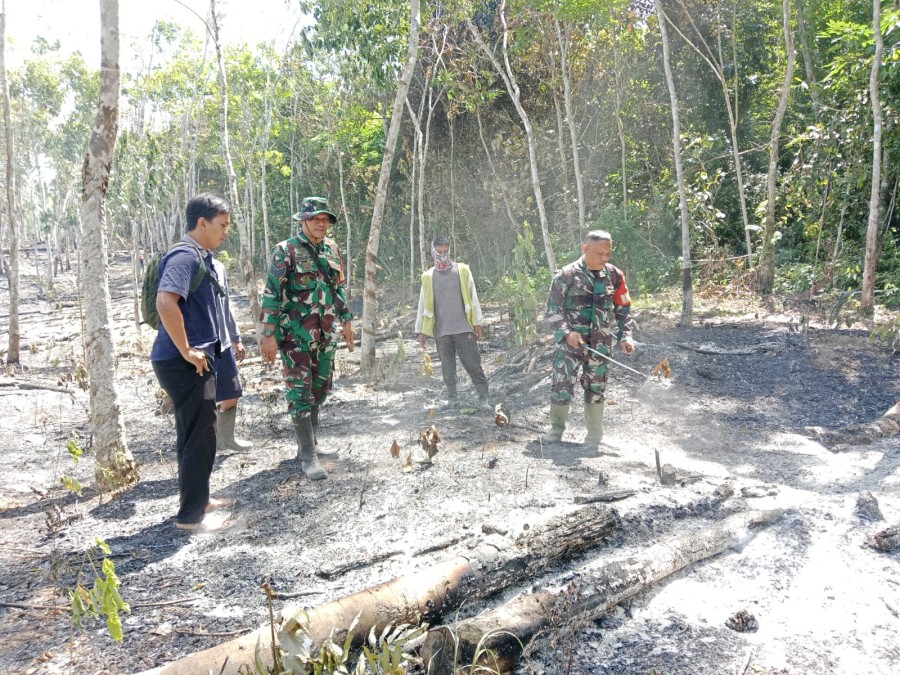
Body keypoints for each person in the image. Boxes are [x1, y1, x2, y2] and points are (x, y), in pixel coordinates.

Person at [151, 193, 235, 532]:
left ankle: (199, 499)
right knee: (199, 435)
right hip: (183, 362)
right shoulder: (185, 257)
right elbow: (165, 302)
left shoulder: (201, 256)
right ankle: (191, 518)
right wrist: (187, 350)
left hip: (189, 360)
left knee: (195, 433)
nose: (225, 232)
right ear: (202, 223)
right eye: (221, 225)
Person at [259, 196, 354, 481]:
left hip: (325, 334)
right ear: (303, 220)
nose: (321, 224)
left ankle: (313, 444)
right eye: (316, 219)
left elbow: (338, 289)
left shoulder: (333, 250)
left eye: (325, 219)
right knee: (299, 392)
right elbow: (271, 295)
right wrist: (268, 336)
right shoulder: (284, 251)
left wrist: (347, 320)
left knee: (319, 391)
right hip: (294, 336)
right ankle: (307, 456)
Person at [542, 230, 635, 450]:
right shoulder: (566, 275)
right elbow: (552, 310)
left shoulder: (614, 275)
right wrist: (566, 332)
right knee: (561, 386)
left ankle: (594, 436)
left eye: (608, 254)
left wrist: (626, 335)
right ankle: (556, 431)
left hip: (600, 346)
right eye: (599, 253)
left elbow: (623, 308)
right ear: (585, 249)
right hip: (570, 346)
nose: (604, 258)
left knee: (596, 389)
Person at [415, 235, 489, 410]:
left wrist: (477, 323)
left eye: (446, 252)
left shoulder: (462, 270)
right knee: (448, 368)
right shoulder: (428, 276)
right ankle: (452, 398)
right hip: (441, 330)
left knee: (472, 364)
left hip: (464, 328)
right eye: (439, 252)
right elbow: (423, 303)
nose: (443, 255)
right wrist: (421, 331)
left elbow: (473, 297)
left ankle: (483, 398)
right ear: (433, 252)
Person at [211, 255, 253, 453]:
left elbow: (225, 305)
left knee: (232, 391)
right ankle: (206, 444)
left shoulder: (218, 267)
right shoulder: (186, 262)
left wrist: (236, 338)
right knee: (203, 398)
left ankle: (225, 439)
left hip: (223, 342)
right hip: (199, 346)